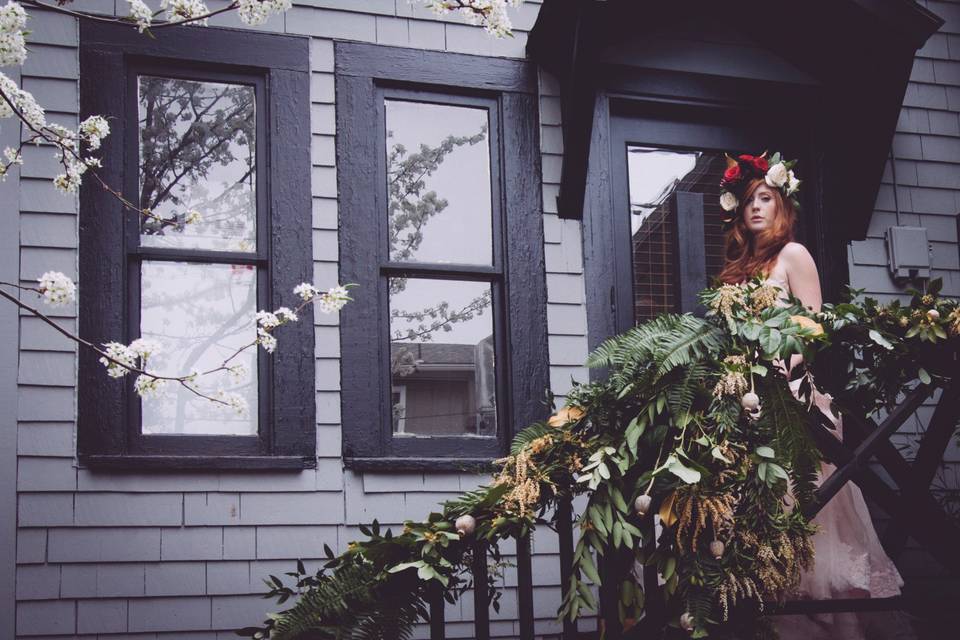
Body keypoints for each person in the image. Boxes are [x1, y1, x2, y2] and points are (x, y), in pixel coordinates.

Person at [715, 153, 910, 639]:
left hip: (789, 395)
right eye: (747, 201)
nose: (755, 208)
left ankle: (833, 628)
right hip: (745, 400)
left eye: (765, 198)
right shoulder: (738, 270)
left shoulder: (793, 256)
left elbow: (812, 328)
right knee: (760, 520)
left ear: (783, 205)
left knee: (811, 520)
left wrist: (779, 367)